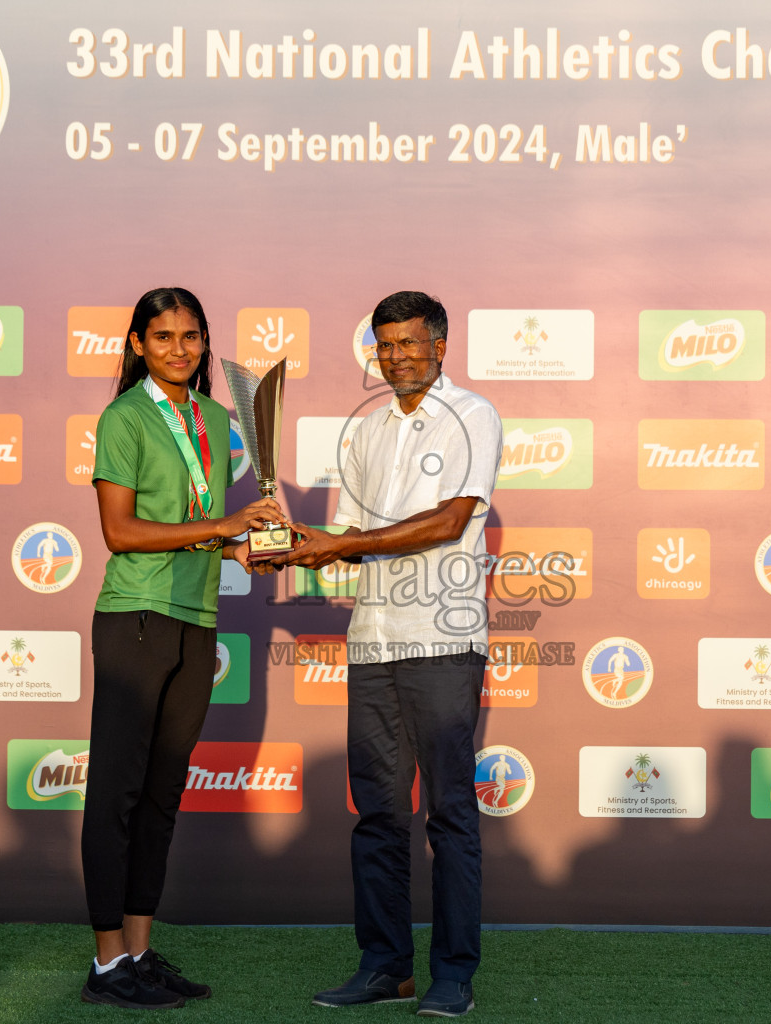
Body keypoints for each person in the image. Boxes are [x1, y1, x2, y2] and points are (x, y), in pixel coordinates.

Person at [287, 291, 503, 1018]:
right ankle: (385, 966)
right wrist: (286, 550)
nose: (398, 356)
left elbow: (448, 521)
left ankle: (453, 974)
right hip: (373, 642)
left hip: (441, 643)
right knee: (378, 815)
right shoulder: (369, 432)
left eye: (411, 343)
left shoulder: (473, 415)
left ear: (440, 345)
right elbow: (346, 532)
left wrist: (342, 543)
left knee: (448, 814)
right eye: (386, 345)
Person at [80, 286, 284, 1010]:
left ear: (205, 343)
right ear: (137, 344)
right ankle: (106, 966)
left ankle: (139, 949)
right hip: (135, 616)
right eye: (162, 336)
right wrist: (222, 527)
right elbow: (123, 533)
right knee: (118, 792)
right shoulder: (125, 417)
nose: (178, 348)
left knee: (163, 794)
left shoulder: (219, 419)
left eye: (191, 337)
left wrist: (247, 551)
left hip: (197, 619)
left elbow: (201, 526)